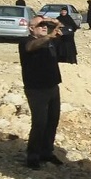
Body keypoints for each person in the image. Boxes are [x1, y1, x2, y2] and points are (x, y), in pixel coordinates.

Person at [19, 16, 64, 169]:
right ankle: (33, 156)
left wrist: (54, 22)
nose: (44, 27)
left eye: (46, 25)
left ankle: (47, 152)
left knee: (52, 121)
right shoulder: (26, 42)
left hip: (52, 87)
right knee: (39, 123)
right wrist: (50, 35)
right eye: (40, 25)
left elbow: (65, 28)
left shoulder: (49, 41)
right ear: (31, 28)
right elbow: (31, 47)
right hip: (36, 89)